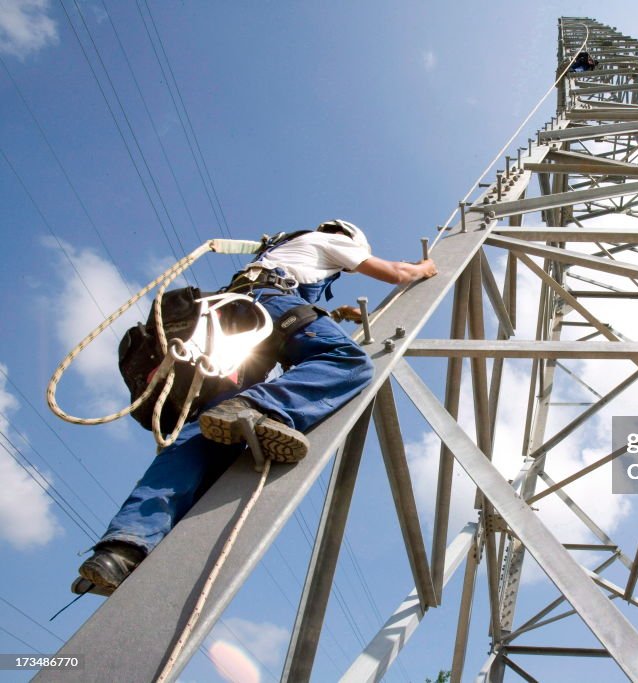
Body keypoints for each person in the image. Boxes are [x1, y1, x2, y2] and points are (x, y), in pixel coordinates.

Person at [75, 219, 437, 595]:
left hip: (234, 321)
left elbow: (298, 291)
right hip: (270, 306)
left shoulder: (285, 249)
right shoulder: (333, 240)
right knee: (347, 362)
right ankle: (260, 406)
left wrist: (336, 312)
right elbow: (397, 274)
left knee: (204, 432)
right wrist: (424, 268)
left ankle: (122, 547)